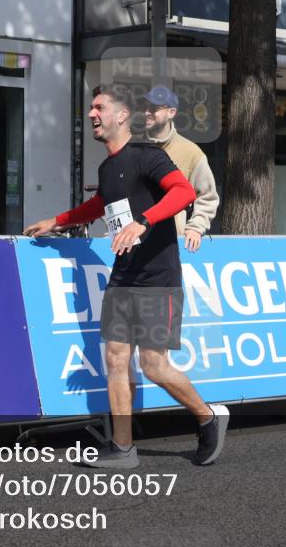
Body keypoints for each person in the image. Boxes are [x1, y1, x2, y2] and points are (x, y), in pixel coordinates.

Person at [23, 84, 229, 469]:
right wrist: (58, 221)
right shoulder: (107, 166)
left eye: (99, 107)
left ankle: (208, 416)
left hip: (157, 277)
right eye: (91, 108)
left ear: (121, 116)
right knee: (116, 359)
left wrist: (143, 222)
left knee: (154, 366)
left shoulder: (147, 155)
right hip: (123, 275)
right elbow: (100, 204)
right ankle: (122, 449)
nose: (91, 114)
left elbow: (184, 193)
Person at [139, 85, 219, 252]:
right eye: (145, 107)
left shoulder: (191, 152)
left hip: (170, 246)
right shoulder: (134, 149)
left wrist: (196, 227)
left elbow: (208, 196)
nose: (147, 112)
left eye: (153, 108)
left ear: (171, 112)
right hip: (133, 243)